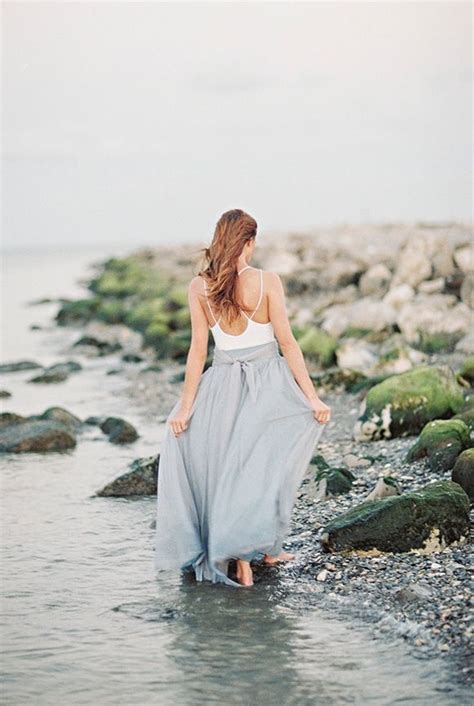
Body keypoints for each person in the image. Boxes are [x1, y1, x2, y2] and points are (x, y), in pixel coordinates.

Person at [154, 209, 331, 587]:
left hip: (221, 385)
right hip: (268, 384)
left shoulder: (199, 287)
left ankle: (246, 555)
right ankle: (259, 551)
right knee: (266, 465)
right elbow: (287, 343)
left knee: (224, 467)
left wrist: (186, 408)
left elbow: (197, 351)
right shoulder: (268, 282)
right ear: (248, 242)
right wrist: (312, 398)